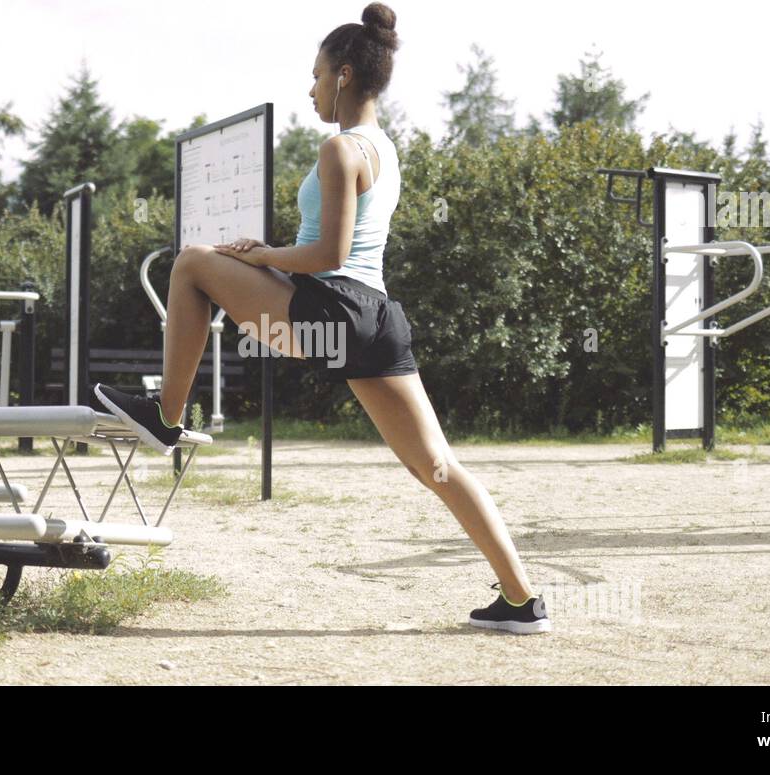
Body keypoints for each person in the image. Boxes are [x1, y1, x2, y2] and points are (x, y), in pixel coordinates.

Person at [95, 3, 550, 634]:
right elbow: (342, 254)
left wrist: (263, 254)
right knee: (437, 466)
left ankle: (166, 418)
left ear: (342, 75)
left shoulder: (338, 148)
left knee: (191, 265)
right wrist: (272, 264)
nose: (309, 88)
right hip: (376, 319)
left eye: (314, 75)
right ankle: (522, 600)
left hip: (330, 311)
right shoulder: (382, 146)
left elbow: (328, 256)